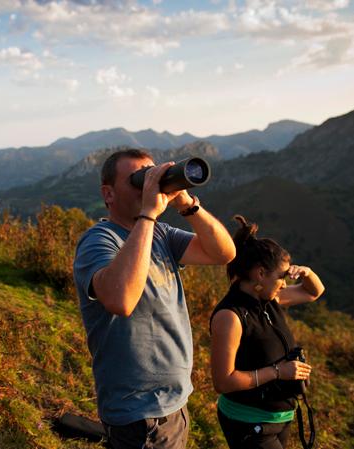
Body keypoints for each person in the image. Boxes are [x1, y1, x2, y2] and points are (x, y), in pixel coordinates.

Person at [73, 148, 236, 449]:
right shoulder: (98, 241)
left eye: (152, 176)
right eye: (138, 180)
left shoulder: (161, 234)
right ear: (108, 194)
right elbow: (121, 300)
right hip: (140, 413)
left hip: (173, 401)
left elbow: (224, 253)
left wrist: (187, 205)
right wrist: (148, 212)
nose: (148, 185)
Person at [209, 215, 325, 449]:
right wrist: (277, 372)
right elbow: (223, 382)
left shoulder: (270, 298)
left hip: (279, 418)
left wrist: (306, 273)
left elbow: (314, 292)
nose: (284, 284)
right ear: (260, 274)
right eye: (281, 277)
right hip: (249, 422)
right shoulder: (230, 316)